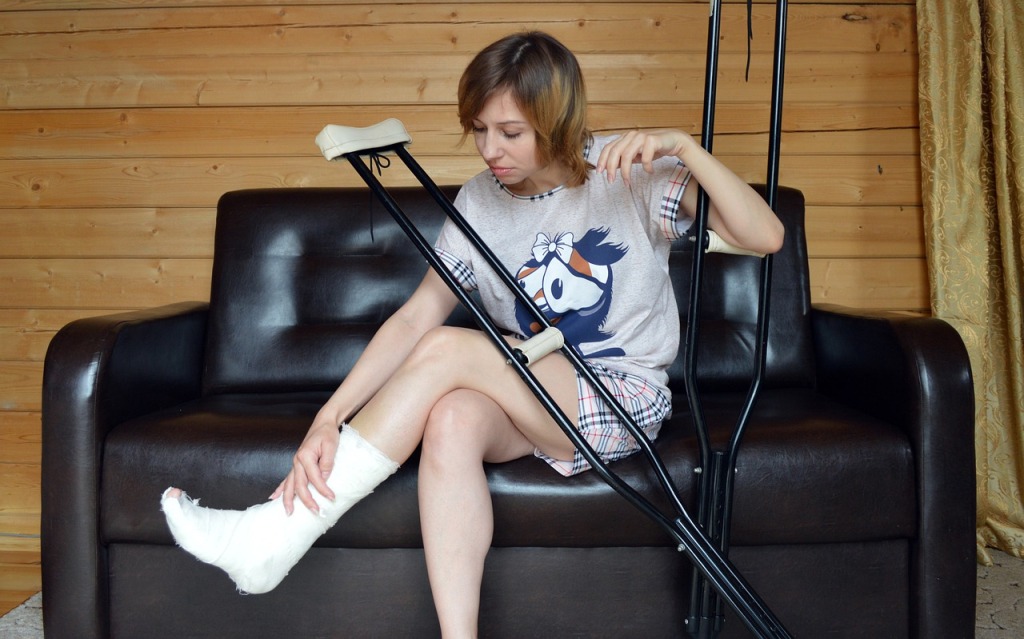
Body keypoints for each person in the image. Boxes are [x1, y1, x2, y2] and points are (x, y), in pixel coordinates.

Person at [161, 30, 784, 637]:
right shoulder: (480, 201)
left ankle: (271, 535)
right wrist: (326, 419)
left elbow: (767, 236)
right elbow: (415, 316)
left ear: (557, 121)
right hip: (532, 395)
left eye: (510, 132)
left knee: (446, 351)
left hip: (620, 397)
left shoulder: (627, 171)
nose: (491, 150)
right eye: (479, 130)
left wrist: (685, 147)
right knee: (452, 419)